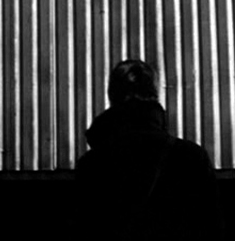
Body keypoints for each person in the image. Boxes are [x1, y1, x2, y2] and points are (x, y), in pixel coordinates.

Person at [75, 59, 222, 240]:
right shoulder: (192, 157)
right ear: (155, 95)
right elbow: (211, 229)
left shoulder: (92, 164)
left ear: (111, 96)